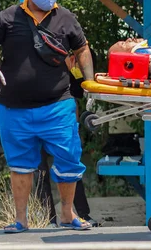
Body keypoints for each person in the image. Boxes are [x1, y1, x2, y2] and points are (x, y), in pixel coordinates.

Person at [0, 0, 94, 233]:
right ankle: (21, 219)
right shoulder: (8, 17)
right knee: (20, 165)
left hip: (58, 105)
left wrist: (89, 81)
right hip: (13, 108)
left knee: (68, 159)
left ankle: (67, 213)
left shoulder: (65, 18)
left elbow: (83, 49)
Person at [36, 52, 99, 227]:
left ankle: (83, 214)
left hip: (62, 123)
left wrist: (73, 69)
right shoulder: (36, 62)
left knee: (70, 168)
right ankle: (48, 218)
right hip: (36, 121)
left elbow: (78, 91)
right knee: (40, 171)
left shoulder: (71, 64)